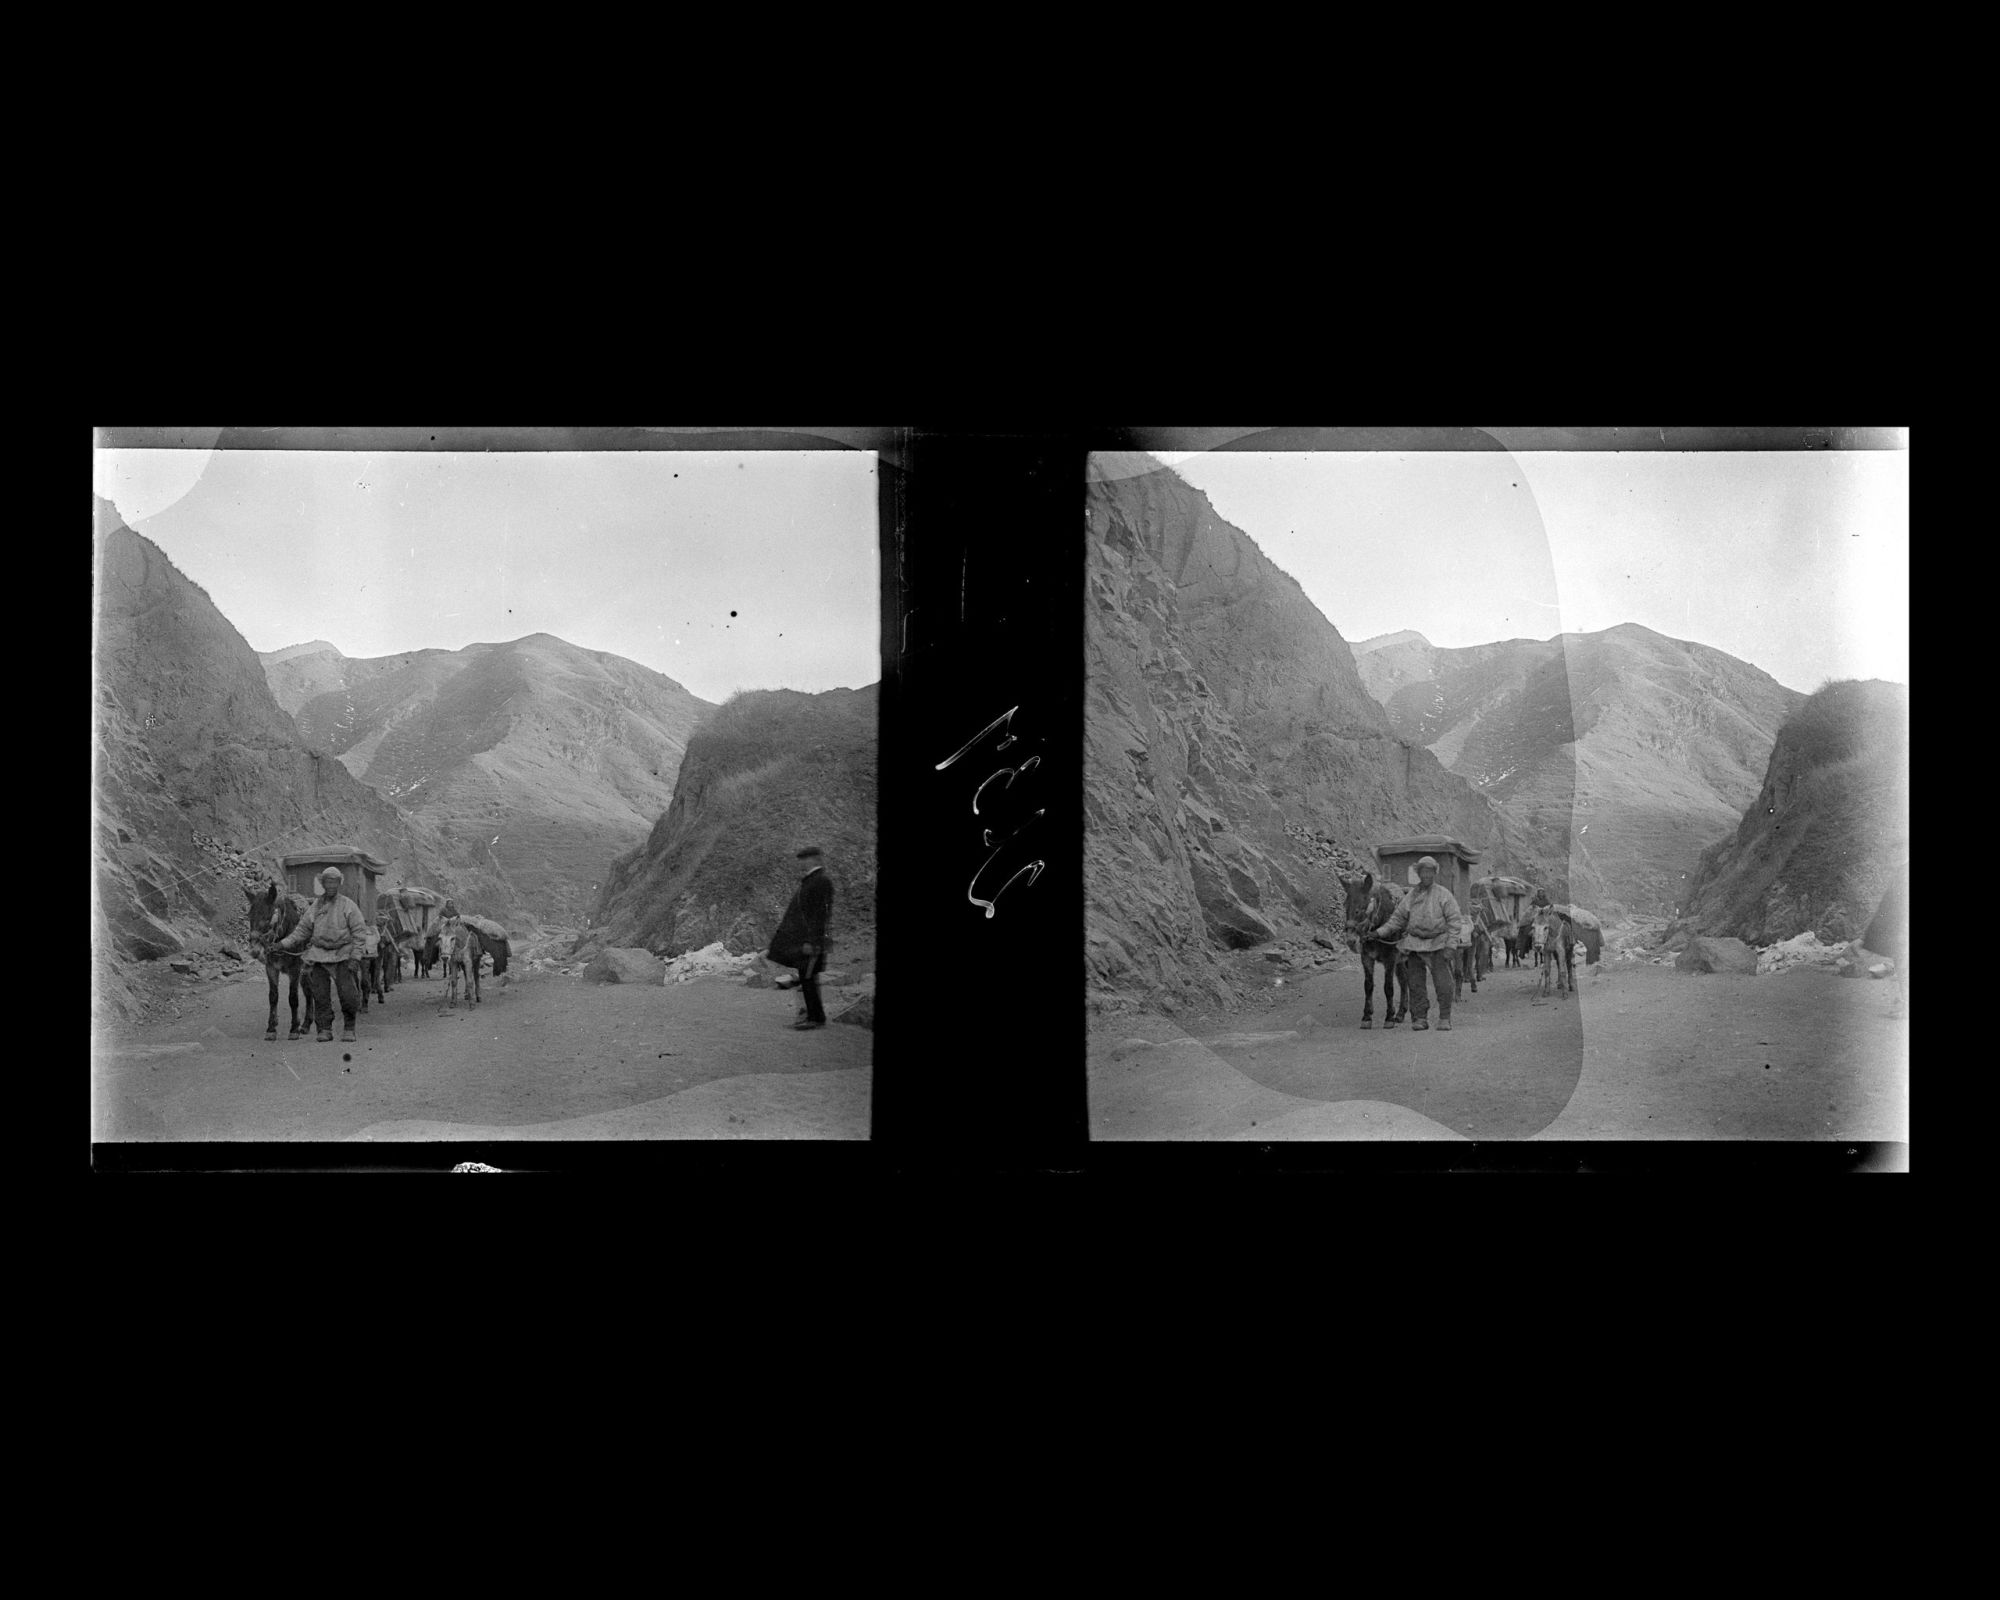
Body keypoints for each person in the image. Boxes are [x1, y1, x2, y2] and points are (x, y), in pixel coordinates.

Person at [1373, 855, 1465, 1032]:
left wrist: (1451, 946)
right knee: (1415, 983)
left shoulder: (1444, 895)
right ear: (1419, 873)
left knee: (1442, 982)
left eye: (1430, 871)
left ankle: (1444, 1017)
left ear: (1434, 873)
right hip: (1414, 943)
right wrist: (1378, 932)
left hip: (1438, 943)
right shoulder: (1411, 896)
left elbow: (1454, 921)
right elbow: (1397, 920)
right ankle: (1420, 1018)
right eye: (1423, 871)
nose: (1426, 875)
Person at [278, 866, 370, 1042]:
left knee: (348, 994)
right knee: (320, 994)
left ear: (339, 883)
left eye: (334, 882)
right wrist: (282, 944)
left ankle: (349, 1028)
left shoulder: (349, 906)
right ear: (323, 884)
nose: (331, 886)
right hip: (319, 954)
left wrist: (355, 957)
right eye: (328, 882)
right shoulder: (315, 907)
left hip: (343, 954)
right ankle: (324, 1029)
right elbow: (301, 931)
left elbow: (359, 933)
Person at [768, 847, 834, 1030]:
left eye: (803, 859)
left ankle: (815, 1018)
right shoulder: (813, 880)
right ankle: (811, 1015)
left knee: (808, 977)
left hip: (811, 942)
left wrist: (813, 942)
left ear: (812, 860)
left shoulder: (819, 882)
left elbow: (819, 915)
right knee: (807, 977)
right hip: (807, 940)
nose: (800, 863)